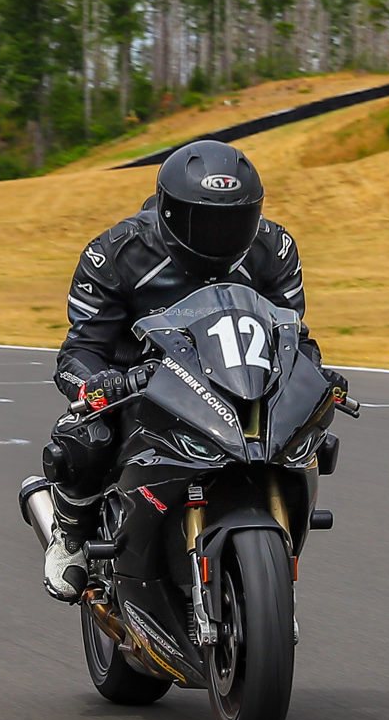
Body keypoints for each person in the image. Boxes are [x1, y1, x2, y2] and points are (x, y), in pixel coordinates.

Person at [35, 139, 332, 599]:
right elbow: (81, 348)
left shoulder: (273, 248)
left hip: (238, 381)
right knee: (84, 437)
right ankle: (71, 537)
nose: (221, 235)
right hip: (142, 384)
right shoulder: (116, 253)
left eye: (235, 221)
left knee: (312, 429)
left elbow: (293, 335)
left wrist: (314, 374)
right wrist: (101, 384)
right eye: (205, 222)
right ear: (169, 213)